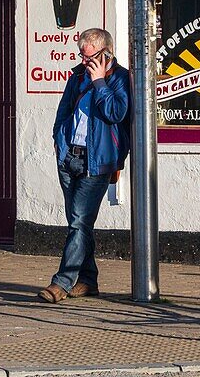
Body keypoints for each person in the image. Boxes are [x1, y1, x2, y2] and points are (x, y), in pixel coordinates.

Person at [38, 28, 131, 304]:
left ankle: (62, 282)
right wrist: (58, 138)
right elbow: (64, 109)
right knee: (79, 223)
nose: (83, 60)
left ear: (105, 54)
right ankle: (88, 280)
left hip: (98, 160)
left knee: (79, 222)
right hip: (69, 157)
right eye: (81, 54)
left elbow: (116, 113)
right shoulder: (77, 76)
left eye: (88, 56)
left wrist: (100, 82)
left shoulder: (121, 79)